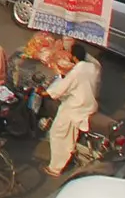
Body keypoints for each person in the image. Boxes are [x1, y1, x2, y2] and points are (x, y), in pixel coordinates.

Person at [43, 41, 101, 177]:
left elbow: (60, 89)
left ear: (74, 57)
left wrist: (45, 92)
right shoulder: (93, 68)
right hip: (90, 105)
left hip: (75, 108)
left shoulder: (77, 71)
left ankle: (55, 168)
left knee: (58, 134)